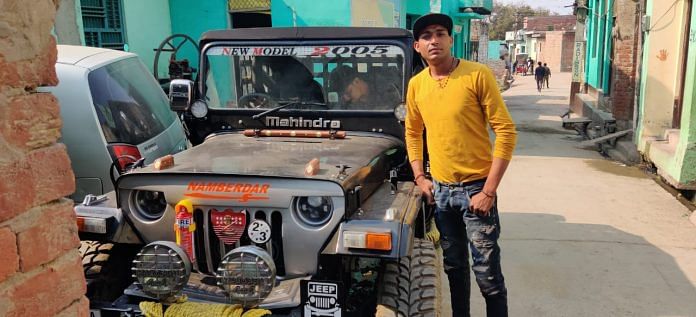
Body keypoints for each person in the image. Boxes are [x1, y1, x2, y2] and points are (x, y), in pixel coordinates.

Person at [406, 13, 517, 317]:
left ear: (451, 39)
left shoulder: (476, 75)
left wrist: (489, 191)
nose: (434, 40)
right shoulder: (416, 85)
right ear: (417, 46)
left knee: (488, 275)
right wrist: (419, 176)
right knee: (454, 269)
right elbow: (413, 131)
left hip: (477, 190)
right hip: (441, 193)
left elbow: (506, 131)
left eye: (440, 33)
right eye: (426, 36)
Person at [328, 65, 400, 109]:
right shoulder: (348, 105)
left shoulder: (388, 90)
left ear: (356, 81)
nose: (346, 98)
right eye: (342, 95)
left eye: (348, 92)